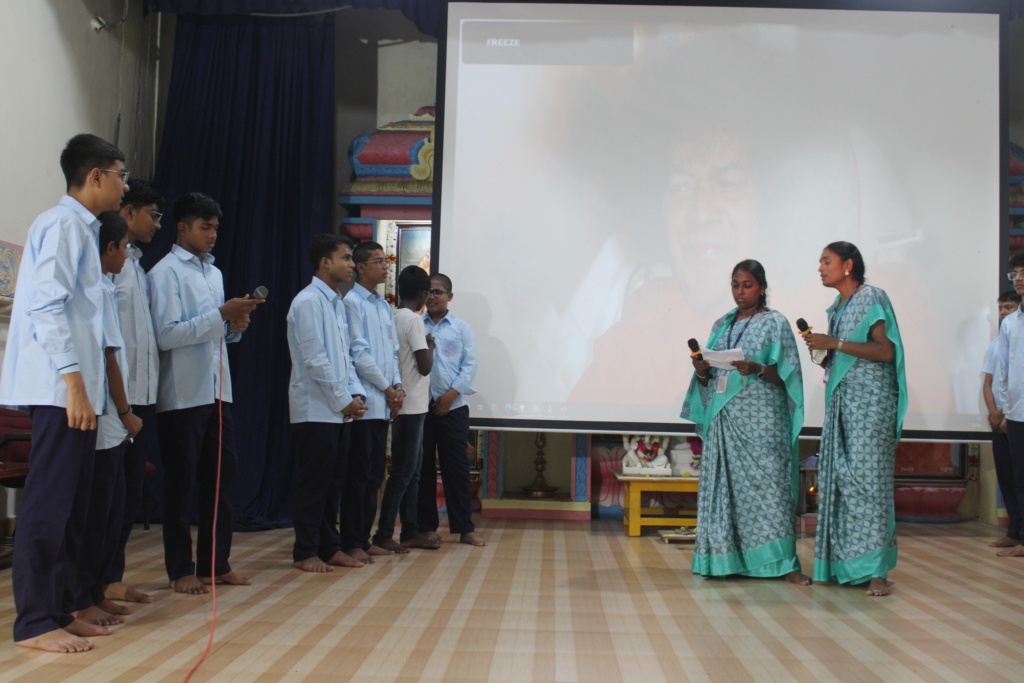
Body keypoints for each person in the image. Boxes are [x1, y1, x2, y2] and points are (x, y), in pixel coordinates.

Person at [0, 133, 128, 652]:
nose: (124, 186)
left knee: (73, 507)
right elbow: (46, 307)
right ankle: (34, 622)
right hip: (60, 390)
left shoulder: (84, 229)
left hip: (77, 391)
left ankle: (61, 607)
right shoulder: (60, 224)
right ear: (95, 176)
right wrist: (74, 383)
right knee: (48, 506)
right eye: (120, 176)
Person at [149, 192, 262, 594]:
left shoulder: (214, 273)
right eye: (205, 227)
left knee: (221, 480)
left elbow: (214, 334)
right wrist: (220, 316)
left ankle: (215, 563)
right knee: (181, 485)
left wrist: (233, 327)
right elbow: (166, 336)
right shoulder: (164, 273)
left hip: (217, 389)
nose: (212, 235)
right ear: (182, 228)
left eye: (215, 227)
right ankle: (180, 569)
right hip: (181, 394)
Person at [680, 260, 809, 585]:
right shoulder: (722, 325)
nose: (740, 292)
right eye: (735, 285)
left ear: (762, 287)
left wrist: (758, 369)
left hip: (763, 424)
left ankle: (783, 563)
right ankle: (725, 560)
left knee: (771, 490)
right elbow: (708, 380)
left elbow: (789, 376)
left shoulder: (775, 323)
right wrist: (701, 370)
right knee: (727, 492)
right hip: (725, 421)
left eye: (747, 285)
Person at [802, 241, 907, 596]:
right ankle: (841, 565)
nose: (820, 268)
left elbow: (884, 350)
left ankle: (877, 571)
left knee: (870, 484)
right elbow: (843, 354)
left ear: (848, 265)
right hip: (843, 404)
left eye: (826, 261)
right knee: (841, 483)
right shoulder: (838, 307)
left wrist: (835, 343)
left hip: (871, 406)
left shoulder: (871, 297)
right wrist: (824, 351)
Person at [70, 211, 143, 627]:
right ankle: (83, 596)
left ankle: (96, 591)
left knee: (111, 512)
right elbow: (110, 358)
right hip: (108, 418)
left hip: (111, 420)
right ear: (111, 247)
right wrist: (126, 411)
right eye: (125, 248)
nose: (127, 255)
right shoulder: (97, 288)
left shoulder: (106, 286)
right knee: (96, 516)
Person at [286, 234, 368, 572]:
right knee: (314, 484)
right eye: (345, 258)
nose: (351, 265)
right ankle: (305, 551)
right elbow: (315, 359)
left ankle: (329, 546)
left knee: (333, 483)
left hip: (337, 409)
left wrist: (355, 395)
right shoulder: (308, 301)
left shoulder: (335, 302)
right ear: (325, 263)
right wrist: (343, 400)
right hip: (315, 408)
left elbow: (345, 358)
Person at [104, 178, 164, 606]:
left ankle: (112, 578)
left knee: (126, 495)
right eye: (153, 215)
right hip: (115, 400)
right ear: (128, 212)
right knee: (108, 496)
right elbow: (111, 343)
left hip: (141, 397)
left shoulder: (137, 266)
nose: (158, 224)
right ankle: (97, 582)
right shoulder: (111, 265)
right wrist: (122, 406)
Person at [342, 241, 404, 562]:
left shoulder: (383, 305)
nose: (385, 266)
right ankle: (351, 540)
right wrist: (387, 388)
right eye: (378, 261)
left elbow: (392, 352)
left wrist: (398, 386)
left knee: (374, 476)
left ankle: (364, 539)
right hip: (363, 402)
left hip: (382, 404)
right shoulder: (352, 302)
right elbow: (359, 353)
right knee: (358, 477)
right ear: (361, 267)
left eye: (386, 261)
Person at [372, 266, 438, 553]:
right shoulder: (413, 320)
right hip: (413, 405)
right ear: (422, 294)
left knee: (412, 472)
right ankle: (384, 533)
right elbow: (424, 367)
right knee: (404, 472)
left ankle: (411, 530)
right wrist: (431, 346)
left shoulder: (392, 315)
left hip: (404, 402)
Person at [418, 274, 486, 547]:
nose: (433, 296)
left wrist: (450, 395)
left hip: (454, 408)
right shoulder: (416, 324)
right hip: (420, 409)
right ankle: (426, 528)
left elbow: (470, 366)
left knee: (456, 471)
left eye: (438, 292)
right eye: (429, 292)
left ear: (450, 296)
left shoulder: (461, 328)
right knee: (422, 470)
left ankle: (465, 528)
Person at [984, 289, 1022, 551]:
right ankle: (1014, 532)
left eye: (1009, 307)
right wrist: (996, 413)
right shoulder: (998, 342)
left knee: (1021, 478)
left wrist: (1007, 412)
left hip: (1015, 416)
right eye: (1000, 308)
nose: (1003, 313)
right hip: (1002, 420)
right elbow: (991, 381)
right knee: (1009, 478)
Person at [995, 259, 1024, 558]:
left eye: (1023, 273)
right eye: (1015, 274)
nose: (1018, 279)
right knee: (1019, 476)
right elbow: (1003, 369)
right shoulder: (1010, 323)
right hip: (1017, 412)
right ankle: (1021, 537)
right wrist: (1005, 407)